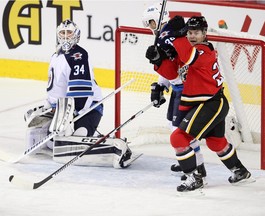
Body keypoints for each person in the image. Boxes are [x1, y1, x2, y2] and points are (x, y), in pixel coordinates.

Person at [145, 15, 252, 192]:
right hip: (204, 104)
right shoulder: (188, 51)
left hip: (210, 103)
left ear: (204, 34)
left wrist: (178, 36)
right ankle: (239, 171)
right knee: (216, 142)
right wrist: (158, 60)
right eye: (189, 33)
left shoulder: (204, 51)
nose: (192, 36)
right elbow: (173, 74)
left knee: (178, 137)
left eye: (196, 32)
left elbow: (188, 56)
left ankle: (195, 177)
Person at [24, 19, 134, 168]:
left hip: (88, 109)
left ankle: (114, 147)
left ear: (76, 35)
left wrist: (73, 115)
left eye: (69, 32)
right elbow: (54, 88)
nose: (65, 36)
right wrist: (47, 106)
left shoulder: (79, 56)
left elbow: (81, 94)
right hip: (64, 108)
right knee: (44, 140)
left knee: (75, 138)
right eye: (62, 33)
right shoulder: (55, 56)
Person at [142, 3, 206, 180]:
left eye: (151, 22)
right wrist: (161, 85)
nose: (150, 27)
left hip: (186, 88)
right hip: (178, 87)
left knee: (180, 130)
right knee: (174, 126)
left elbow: (180, 63)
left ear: (159, 18)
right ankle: (190, 160)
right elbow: (170, 65)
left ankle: (198, 165)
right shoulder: (164, 35)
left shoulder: (167, 35)